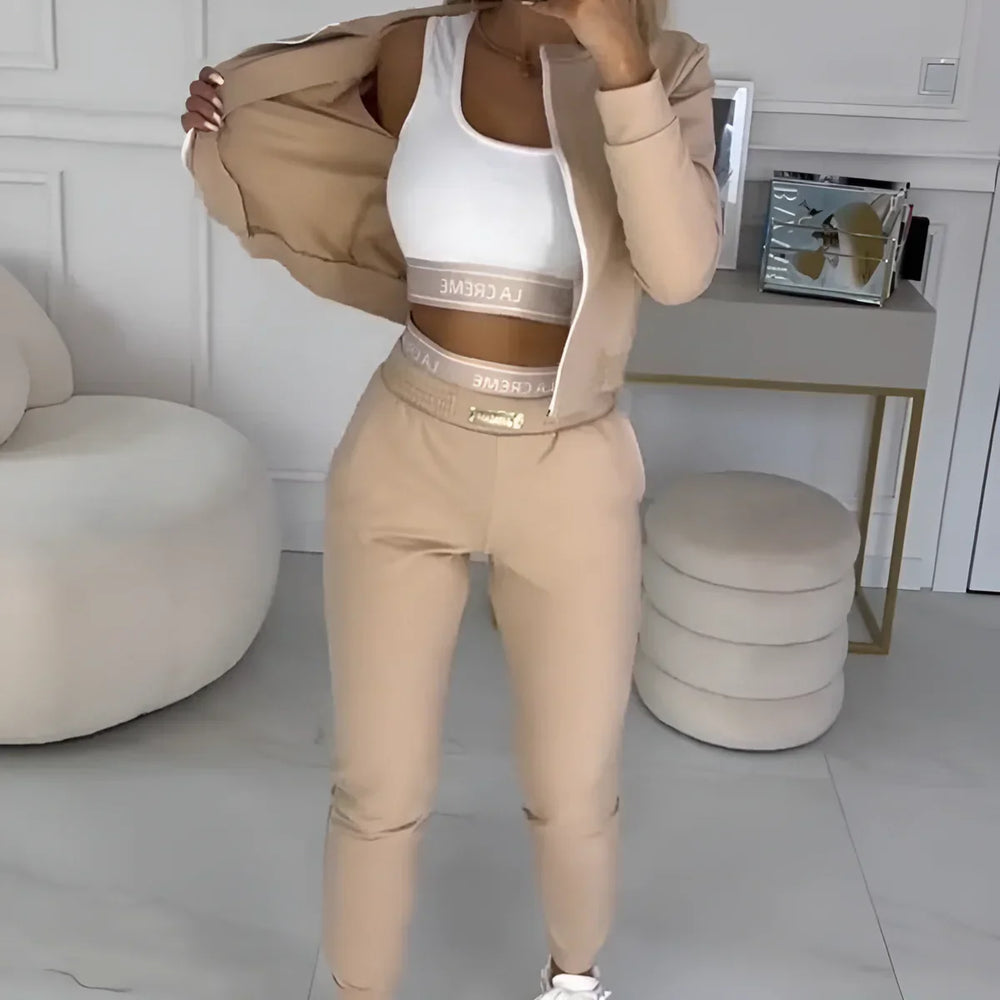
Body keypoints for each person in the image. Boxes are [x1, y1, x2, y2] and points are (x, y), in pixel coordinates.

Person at [181, 1, 719, 997]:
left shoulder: (665, 67)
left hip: (571, 466)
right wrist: (232, 112)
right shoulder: (413, 51)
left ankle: (573, 978)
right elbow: (297, 139)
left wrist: (616, 55)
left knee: (572, 788)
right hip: (405, 448)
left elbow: (679, 270)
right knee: (377, 785)